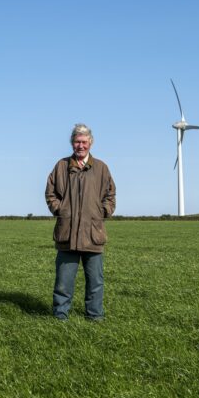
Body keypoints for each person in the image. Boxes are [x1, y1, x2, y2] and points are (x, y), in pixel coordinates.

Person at [45, 123, 116, 321]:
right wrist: (60, 209)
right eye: (77, 141)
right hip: (67, 234)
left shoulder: (101, 168)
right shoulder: (61, 166)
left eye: (84, 142)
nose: (80, 145)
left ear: (90, 143)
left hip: (93, 234)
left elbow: (111, 194)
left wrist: (103, 211)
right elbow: (50, 193)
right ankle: (60, 316)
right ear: (72, 143)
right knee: (63, 282)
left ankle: (95, 317)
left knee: (95, 281)